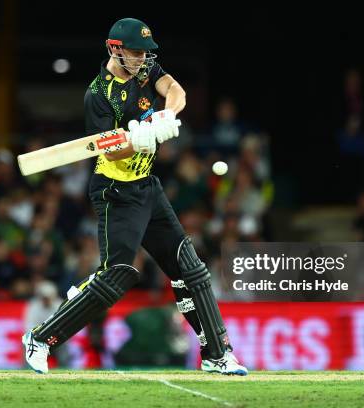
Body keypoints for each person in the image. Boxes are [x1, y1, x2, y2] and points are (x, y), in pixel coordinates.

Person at [22, 18, 247, 376]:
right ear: (114, 49)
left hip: (147, 186)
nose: (143, 59)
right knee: (119, 275)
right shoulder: (98, 95)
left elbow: (174, 88)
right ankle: (41, 338)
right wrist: (137, 140)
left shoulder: (145, 70)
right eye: (136, 52)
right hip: (115, 192)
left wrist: (166, 115)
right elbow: (108, 152)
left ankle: (217, 354)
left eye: (146, 53)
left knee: (191, 270)